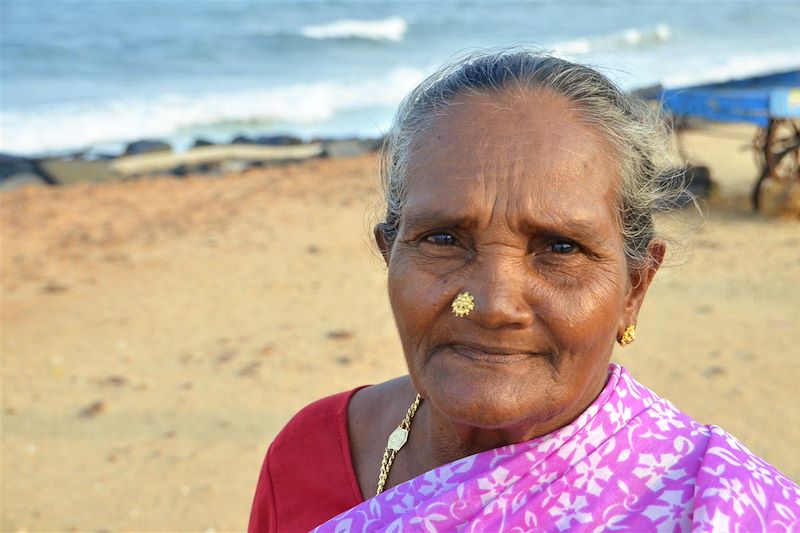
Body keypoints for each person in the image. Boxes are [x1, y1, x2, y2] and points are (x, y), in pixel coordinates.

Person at [248, 50, 800, 532]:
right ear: (390, 253)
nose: (493, 305)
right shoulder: (310, 454)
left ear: (635, 286)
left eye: (559, 249)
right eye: (443, 239)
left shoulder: (715, 508)